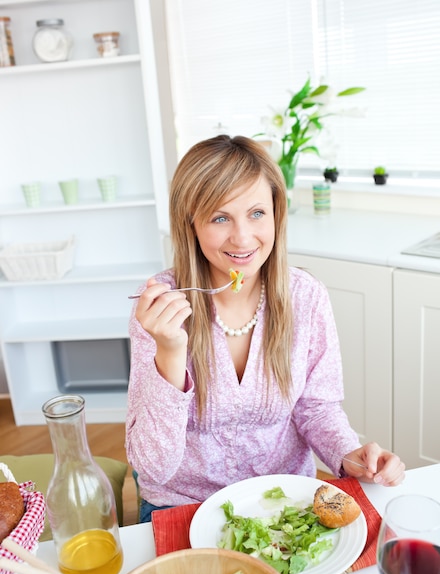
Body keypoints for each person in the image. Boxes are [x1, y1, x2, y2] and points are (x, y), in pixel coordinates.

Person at [126, 134, 405, 523]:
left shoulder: (305, 297)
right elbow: (152, 468)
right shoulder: (160, 307)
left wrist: (347, 453)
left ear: (276, 213)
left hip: (284, 500)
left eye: (257, 213)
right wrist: (170, 354)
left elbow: (317, 408)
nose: (242, 238)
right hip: (185, 506)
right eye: (220, 217)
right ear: (190, 223)